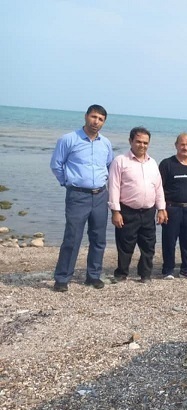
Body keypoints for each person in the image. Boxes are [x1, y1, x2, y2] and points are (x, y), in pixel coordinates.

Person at [50, 105, 114, 292]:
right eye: (94, 117)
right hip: (77, 196)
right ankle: (62, 278)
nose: (96, 121)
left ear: (104, 122)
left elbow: (109, 166)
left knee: (98, 238)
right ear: (86, 116)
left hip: (100, 195)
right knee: (72, 237)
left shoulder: (106, 143)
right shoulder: (69, 139)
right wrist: (67, 183)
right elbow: (56, 164)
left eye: (100, 119)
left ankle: (93, 275)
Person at [108, 127, 167, 282]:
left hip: (148, 211)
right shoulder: (120, 161)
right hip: (127, 211)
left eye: (145, 143)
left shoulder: (152, 163)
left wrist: (161, 208)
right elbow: (114, 186)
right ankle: (121, 274)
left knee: (149, 245)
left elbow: (158, 187)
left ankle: (145, 274)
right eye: (139, 142)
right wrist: (115, 211)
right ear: (130, 141)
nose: (142, 145)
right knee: (125, 245)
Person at [159, 133, 187, 280]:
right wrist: (161, 209)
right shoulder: (167, 164)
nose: (185, 148)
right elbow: (159, 187)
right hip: (171, 207)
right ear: (176, 145)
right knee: (169, 240)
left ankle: (186, 270)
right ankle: (168, 270)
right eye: (182, 144)